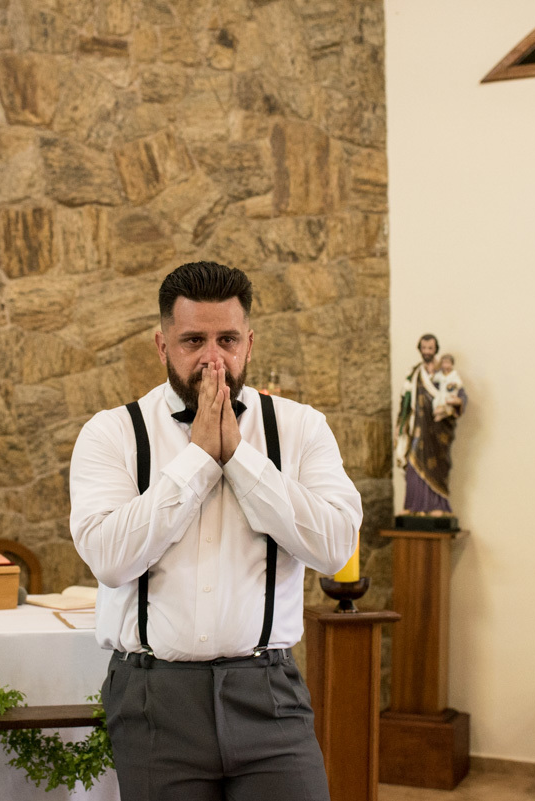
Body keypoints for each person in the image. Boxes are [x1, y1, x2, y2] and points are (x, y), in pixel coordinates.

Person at [69, 261, 361, 801]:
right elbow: (109, 560)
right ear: (162, 346)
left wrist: (241, 460)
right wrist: (199, 459)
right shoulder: (112, 433)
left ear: (249, 343)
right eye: (193, 341)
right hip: (154, 698)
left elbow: (336, 546)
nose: (212, 359)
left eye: (227, 340)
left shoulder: (300, 428)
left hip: (268, 693)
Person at [395, 334, 466, 516]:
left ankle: (437, 505)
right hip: (418, 426)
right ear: (420, 349)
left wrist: (458, 401)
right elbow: (405, 402)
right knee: (413, 463)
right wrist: (400, 426)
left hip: (438, 429)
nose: (427, 351)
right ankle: (413, 506)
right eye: (424, 348)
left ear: (435, 350)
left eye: (430, 348)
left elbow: (458, 392)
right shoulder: (415, 374)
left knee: (437, 466)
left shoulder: (444, 372)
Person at [432, 354, 463, 422]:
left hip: (450, 394)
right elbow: (434, 378)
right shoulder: (440, 374)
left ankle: (446, 412)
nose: (445, 365)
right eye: (444, 363)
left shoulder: (454, 374)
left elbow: (459, 382)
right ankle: (441, 413)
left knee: (448, 402)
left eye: (447, 363)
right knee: (436, 401)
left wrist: (455, 384)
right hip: (442, 393)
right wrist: (431, 376)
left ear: (452, 364)